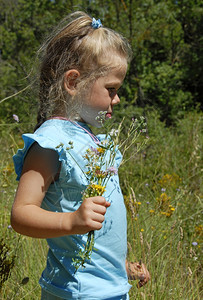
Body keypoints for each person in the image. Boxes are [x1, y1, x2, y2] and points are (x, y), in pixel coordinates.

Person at [11, 11, 150, 300]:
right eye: (111, 89)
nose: (117, 99)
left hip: (111, 288)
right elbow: (21, 215)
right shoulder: (51, 142)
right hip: (75, 292)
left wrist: (121, 267)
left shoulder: (95, 141)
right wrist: (72, 221)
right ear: (73, 83)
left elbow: (97, 234)